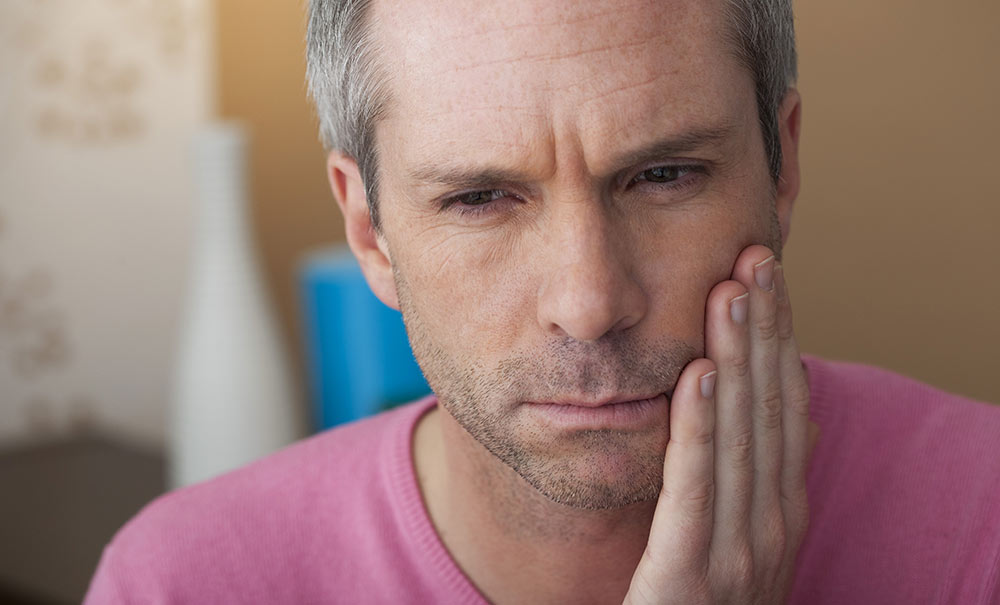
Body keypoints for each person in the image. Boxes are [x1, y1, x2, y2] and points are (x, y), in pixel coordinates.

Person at [85, 0, 1000, 603]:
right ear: (371, 232)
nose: (590, 300)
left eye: (666, 174)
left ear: (783, 164)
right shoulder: (179, 583)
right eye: (481, 198)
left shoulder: (980, 520)